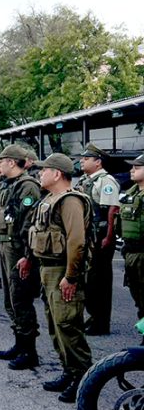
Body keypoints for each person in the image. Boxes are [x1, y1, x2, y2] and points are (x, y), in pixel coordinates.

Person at [28, 152, 93, 403]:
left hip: (62, 271)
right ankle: (69, 371)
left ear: (57, 174)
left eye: (44, 170)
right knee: (56, 326)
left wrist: (71, 276)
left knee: (68, 325)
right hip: (48, 269)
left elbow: (77, 242)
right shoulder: (50, 199)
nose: (40, 173)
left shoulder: (70, 201)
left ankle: (83, 379)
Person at [0, 144, 42, 370]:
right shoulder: (5, 183)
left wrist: (27, 256)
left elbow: (28, 225)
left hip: (18, 248)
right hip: (4, 245)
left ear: (12, 162)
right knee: (10, 299)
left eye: (1, 161)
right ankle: (19, 343)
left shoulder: (28, 187)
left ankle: (29, 351)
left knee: (21, 299)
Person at [78, 143, 120, 336]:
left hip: (100, 235)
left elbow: (111, 210)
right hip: (88, 234)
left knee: (100, 280)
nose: (82, 161)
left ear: (97, 162)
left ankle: (101, 322)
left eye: (86, 159)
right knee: (89, 279)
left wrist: (109, 236)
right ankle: (93, 316)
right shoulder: (87, 180)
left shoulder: (106, 181)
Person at [120, 153, 144, 337]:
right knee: (139, 298)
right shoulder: (131, 193)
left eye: (137, 167)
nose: (132, 170)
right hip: (131, 252)